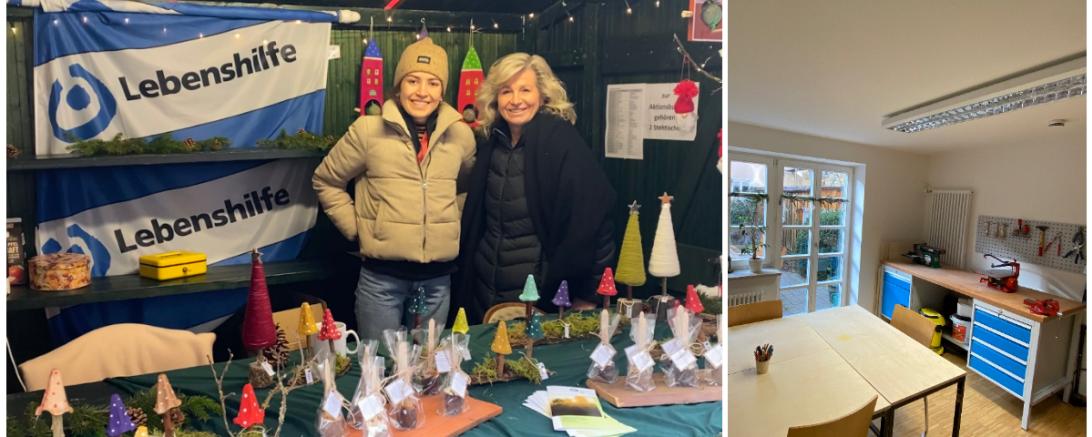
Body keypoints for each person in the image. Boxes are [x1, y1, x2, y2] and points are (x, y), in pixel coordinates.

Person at [313, 37, 476, 341]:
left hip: (437, 282)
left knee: (427, 370)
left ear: (443, 90)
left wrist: (451, 225)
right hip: (381, 281)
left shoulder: (461, 136)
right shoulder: (367, 131)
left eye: (432, 83)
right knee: (379, 368)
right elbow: (326, 180)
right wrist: (359, 228)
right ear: (399, 85)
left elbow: (466, 188)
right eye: (413, 80)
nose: (422, 92)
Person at [456, 53, 616, 324]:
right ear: (496, 98)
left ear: (543, 96)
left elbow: (594, 222)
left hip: (537, 296)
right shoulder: (491, 143)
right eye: (506, 91)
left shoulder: (561, 143)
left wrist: (588, 294)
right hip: (485, 294)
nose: (516, 100)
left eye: (525, 90)